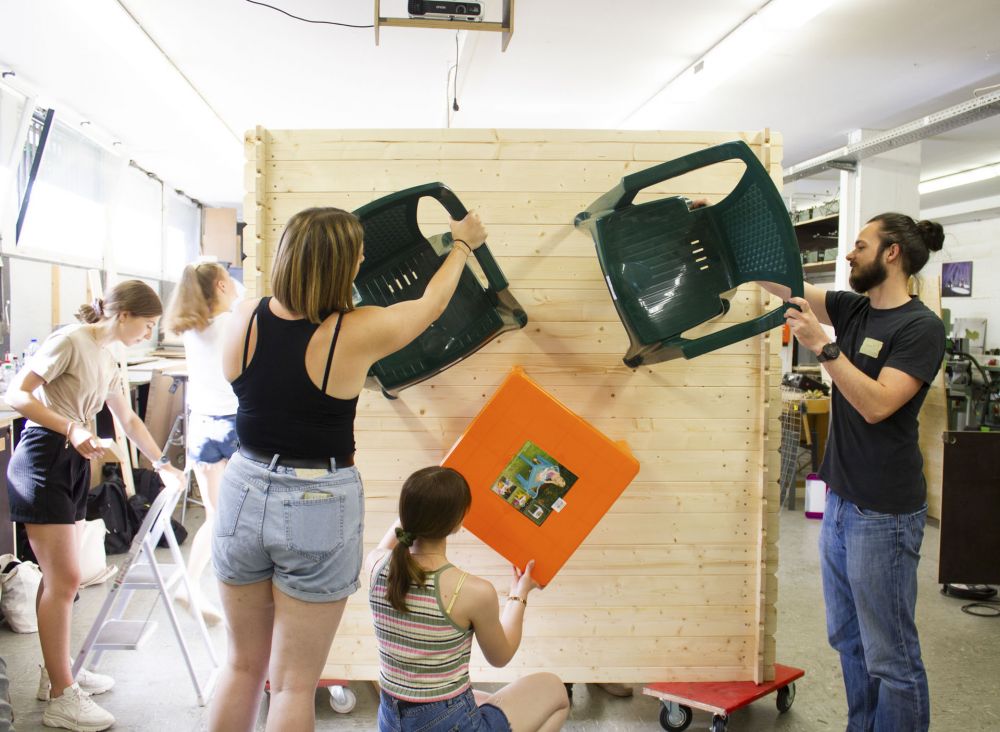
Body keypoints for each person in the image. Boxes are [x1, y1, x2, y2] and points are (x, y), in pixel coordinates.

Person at [209, 206, 489, 732]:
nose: (363, 256)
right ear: (343, 265)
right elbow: (430, 306)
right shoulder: (355, 331)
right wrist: (463, 246)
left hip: (243, 487)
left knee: (241, 666)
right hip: (316, 498)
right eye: (357, 250)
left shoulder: (242, 318)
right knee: (292, 684)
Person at [760, 212, 945, 731]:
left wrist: (823, 345)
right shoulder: (855, 308)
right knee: (847, 637)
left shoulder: (920, 327)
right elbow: (790, 287)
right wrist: (739, 251)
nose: (848, 253)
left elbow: (878, 404)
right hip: (840, 502)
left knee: (891, 655)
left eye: (859, 245)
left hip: (883, 513)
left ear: (891, 254)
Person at [5, 280, 183, 732]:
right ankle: (63, 698)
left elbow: (127, 418)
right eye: (147, 324)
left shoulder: (107, 356)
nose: (149, 333)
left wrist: (161, 463)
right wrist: (71, 428)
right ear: (123, 314)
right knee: (63, 579)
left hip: (72, 462)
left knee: (66, 580)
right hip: (44, 457)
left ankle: (56, 674)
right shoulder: (69, 341)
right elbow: (17, 395)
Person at [366, 466, 570, 732]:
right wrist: (520, 593)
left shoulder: (375, 564)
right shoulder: (471, 591)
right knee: (555, 692)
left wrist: (425, 497)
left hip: (392, 720)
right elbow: (501, 655)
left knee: (483, 697)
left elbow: (397, 533)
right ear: (458, 522)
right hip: (449, 723)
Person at [164, 261, 242, 624]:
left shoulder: (192, 329)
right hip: (235, 425)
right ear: (223, 285)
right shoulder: (232, 322)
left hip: (203, 428)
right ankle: (235, 595)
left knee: (216, 517)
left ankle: (190, 580)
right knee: (242, 518)